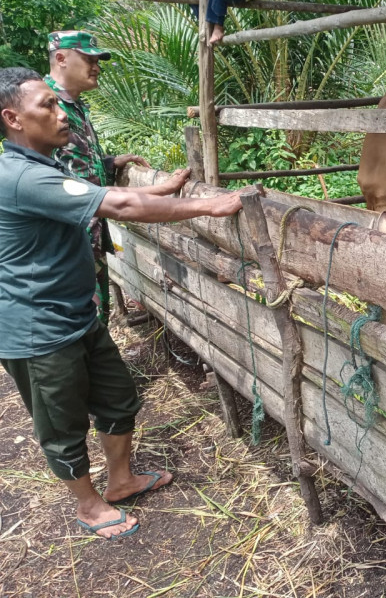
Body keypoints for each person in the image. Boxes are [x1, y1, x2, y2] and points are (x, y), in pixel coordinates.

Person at [0, 67, 244, 540]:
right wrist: (207, 206)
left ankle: (121, 481)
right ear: (12, 118)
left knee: (117, 398)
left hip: (76, 314)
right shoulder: (22, 177)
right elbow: (123, 208)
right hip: (37, 330)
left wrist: (162, 189)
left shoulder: (47, 167)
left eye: (57, 103)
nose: (60, 113)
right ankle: (88, 507)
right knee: (62, 424)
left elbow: (105, 196)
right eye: (46, 107)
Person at [46, 30, 150, 325]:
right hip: (67, 238)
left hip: (89, 233)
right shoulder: (47, 105)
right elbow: (48, 173)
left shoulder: (74, 105)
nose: (97, 66)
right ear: (62, 58)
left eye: (98, 59)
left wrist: (111, 162)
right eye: (89, 58)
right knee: (77, 323)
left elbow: (72, 164)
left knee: (96, 320)